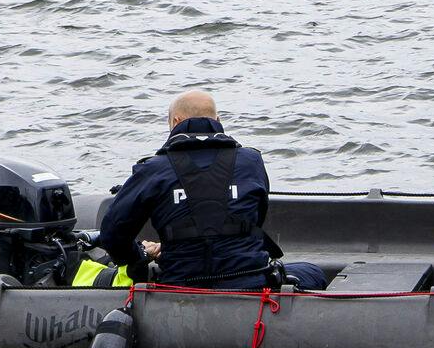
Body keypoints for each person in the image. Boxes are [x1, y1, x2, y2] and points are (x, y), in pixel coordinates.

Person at [96, 90, 325, 291]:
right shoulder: (250, 161)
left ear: (175, 121)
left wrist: (141, 256)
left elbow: (112, 235)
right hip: (249, 282)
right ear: (218, 120)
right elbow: (255, 218)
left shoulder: (153, 169)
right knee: (312, 272)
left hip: (180, 284)